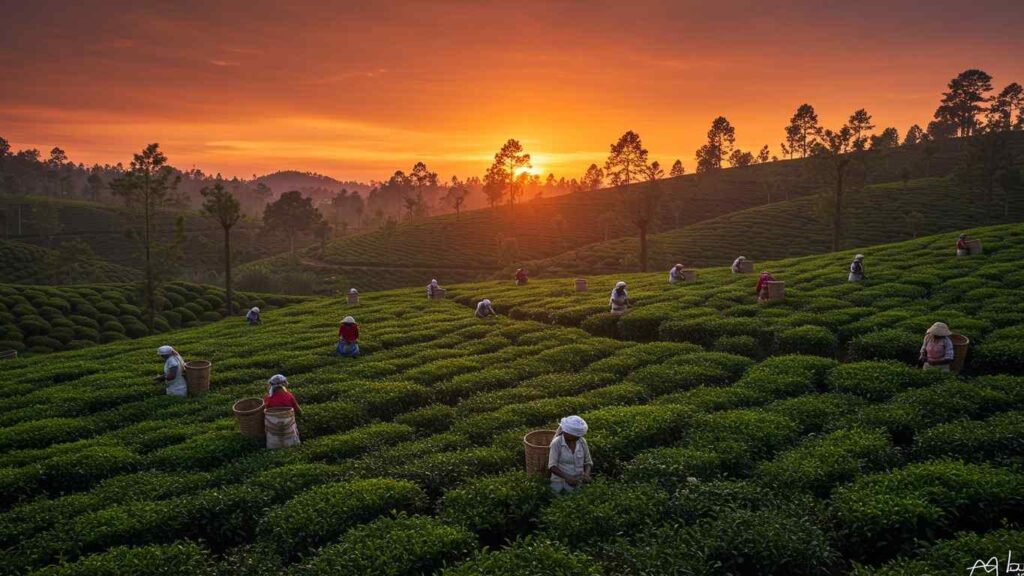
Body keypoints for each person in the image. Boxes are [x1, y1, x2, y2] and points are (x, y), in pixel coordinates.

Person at [548, 415, 593, 493]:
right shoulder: (557, 443)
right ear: (567, 433)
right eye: (575, 436)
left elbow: (588, 462)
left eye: (578, 436)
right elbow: (552, 466)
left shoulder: (582, 441)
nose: (578, 438)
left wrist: (586, 474)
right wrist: (567, 478)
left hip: (578, 483)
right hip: (559, 484)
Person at [264, 374, 301, 448]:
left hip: (274, 428)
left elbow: (265, 411)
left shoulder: (268, 398)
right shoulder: (289, 395)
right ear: (283, 384)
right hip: (288, 426)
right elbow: (299, 411)